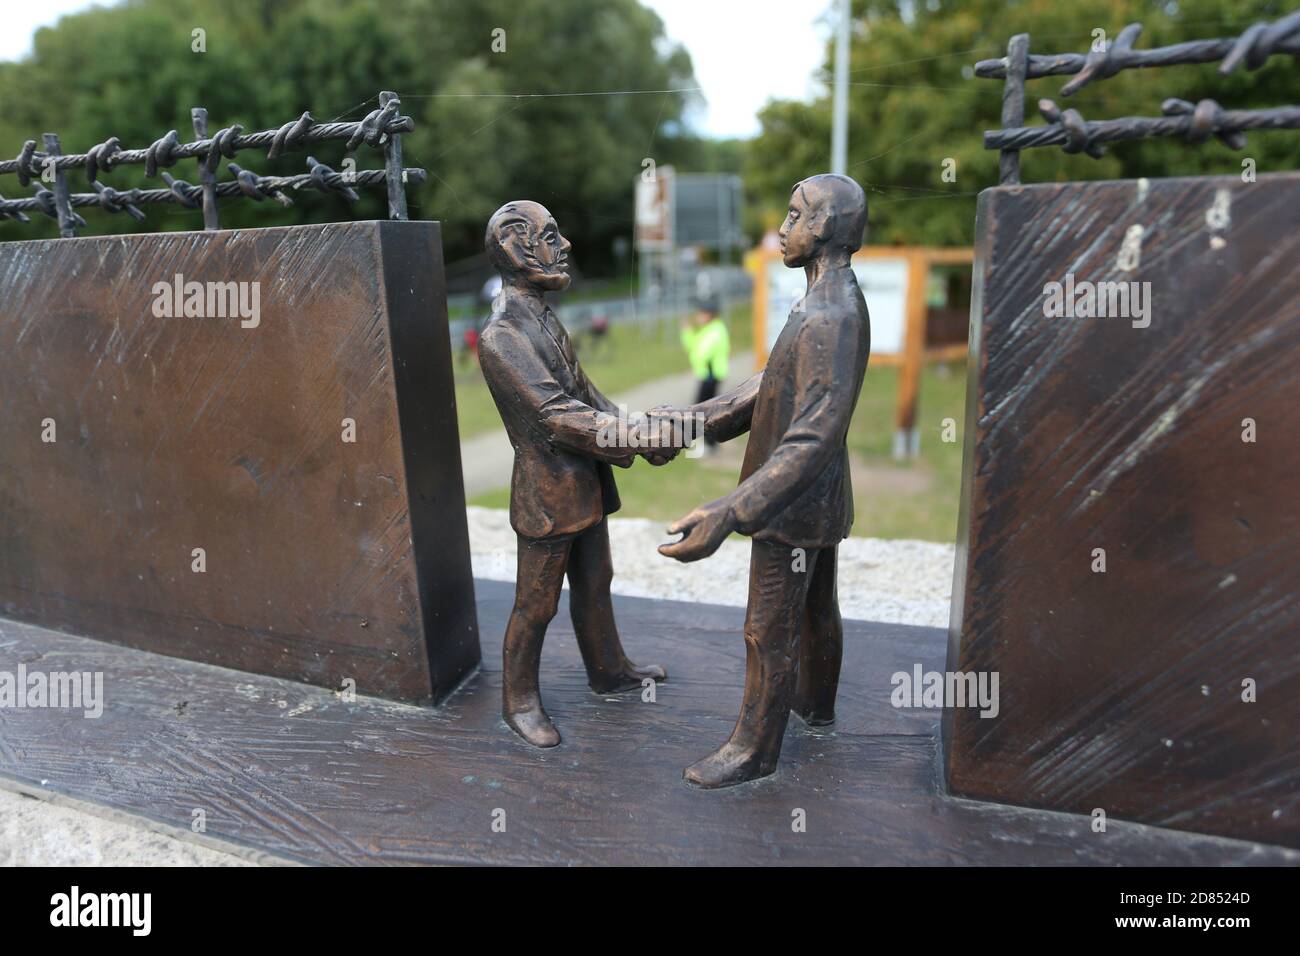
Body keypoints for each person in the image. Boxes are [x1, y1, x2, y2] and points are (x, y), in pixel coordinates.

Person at [656, 174, 871, 788]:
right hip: (815, 502)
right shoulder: (820, 301)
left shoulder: (830, 313)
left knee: (767, 627)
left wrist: (730, 510)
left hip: (793, 504)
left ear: (825, 228)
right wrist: (693, 421)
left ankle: (755, 749)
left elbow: (813, 434)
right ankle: (816, 706)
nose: (782, 227)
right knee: (816, 611)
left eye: (795, 214)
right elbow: (768, 386)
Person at [477, 200, 678, 748]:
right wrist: (634, 439)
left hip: (585, 485)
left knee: (595, 582)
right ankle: (518, 702)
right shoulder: (503, 337)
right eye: (551, 235)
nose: (564, 246)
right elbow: (555, 417)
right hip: (547, 496)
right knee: (536, 604)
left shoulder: (543, 318)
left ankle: (608, 670)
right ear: (519, 249)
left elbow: (586, 396)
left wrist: (634, 427)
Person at [679, 295, 729, 451]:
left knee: (703, 411)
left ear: (710, 314)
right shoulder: (707, 330)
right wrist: (686, 332)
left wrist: (696, 351)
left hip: (711, 375)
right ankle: (707, 443)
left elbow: (700, 353)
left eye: (702, 313)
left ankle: (708, 444)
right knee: (703, 410)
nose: (698, 317)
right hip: (705, 375)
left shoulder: (716, 330)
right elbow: (692, 346)